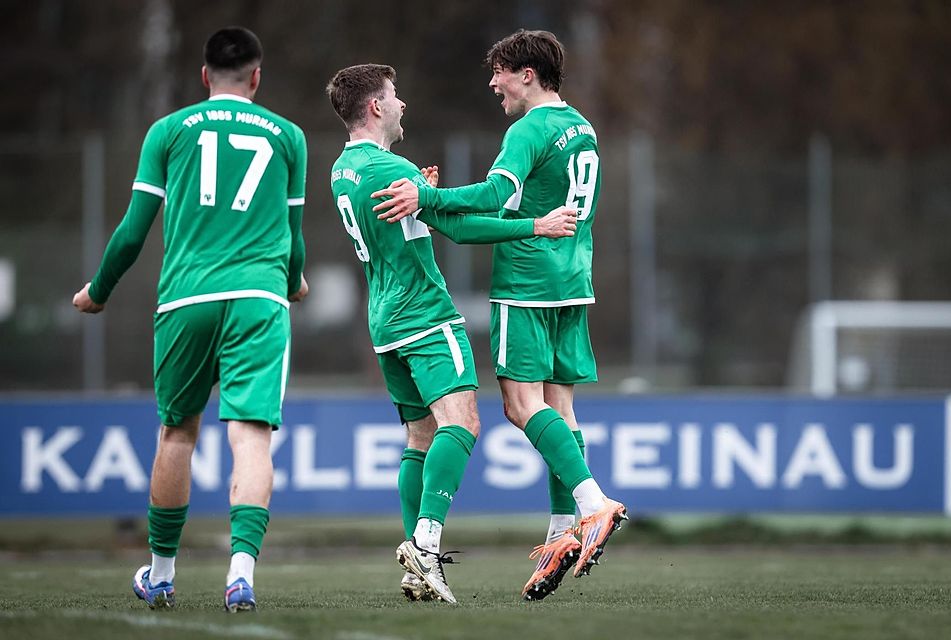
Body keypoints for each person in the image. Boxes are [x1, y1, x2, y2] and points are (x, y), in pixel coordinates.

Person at [371, 29, 627, 601]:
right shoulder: (580, 126)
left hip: (528, 282)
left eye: (501, 73)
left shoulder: (529, 128)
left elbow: (492, 195)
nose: (494, 84)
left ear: (528, 75)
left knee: (519, 405)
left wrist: (427, 199)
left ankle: (593, 504)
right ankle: (562, 533)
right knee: (560, 408)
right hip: (572, 280)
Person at [72, 26, 309, 613]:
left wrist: (97, 291)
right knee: (251, 437)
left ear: (205, 76)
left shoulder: (169, 130)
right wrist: (294, 280)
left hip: (186, 299)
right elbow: (293, 236)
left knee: (177, 434)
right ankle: (241, 573)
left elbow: (133, 229)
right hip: (259, 298)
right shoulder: (289, 136)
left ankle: (160, 574)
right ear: (257, 77)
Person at [326, 63, 577, 604]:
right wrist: (536, 225)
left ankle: (418, 562)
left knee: (419, 438)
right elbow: (461, 228)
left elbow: (406, 223)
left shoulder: (344, 169)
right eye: (394, 96)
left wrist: (426, 195)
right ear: (374, 107)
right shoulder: (391, 170)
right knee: (461, 423)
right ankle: (425, 545)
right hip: (424, 314)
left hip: (385, 319)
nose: (402, 105)